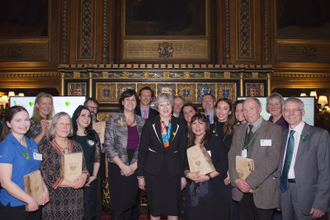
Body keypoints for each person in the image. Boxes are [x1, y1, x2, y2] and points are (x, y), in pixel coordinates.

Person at [228, 97, 282, 220]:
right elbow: (231, 156)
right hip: (240, 189)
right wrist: (236, 179)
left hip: (262, 189)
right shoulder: (239, 129)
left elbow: (272, 159)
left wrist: (249, 182)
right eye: (245, 110)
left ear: (260, 109)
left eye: (251, 109)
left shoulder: (273, 129)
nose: (248, 113)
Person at [277, 97, 330, 220]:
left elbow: (325, 172)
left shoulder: (319, 135)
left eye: (295, 110)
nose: (291, 114)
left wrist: (321, 203)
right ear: (283, 113)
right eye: (287, 110)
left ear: (303, 112)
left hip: (308, 195)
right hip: (285, 192)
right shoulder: (282, 135)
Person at [137, 93, 187, 220]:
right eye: (161, 105)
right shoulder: (149, 123)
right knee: (155, 209)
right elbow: (142, 150)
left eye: (168, 104)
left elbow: (182, 151)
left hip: (174, 172)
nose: (165, 107)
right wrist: (140, 175)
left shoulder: (180, 124)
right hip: (153, 172)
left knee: (173, 208)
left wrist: (183, 175)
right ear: (157, 108)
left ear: (172, 106)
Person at [0, 106, 49, 220]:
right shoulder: (6, 147)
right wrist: (29, 200)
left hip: (34, 200)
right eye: (18, 120)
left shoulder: (32, 143)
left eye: (26, 119)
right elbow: (5, 182)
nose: (24, 124)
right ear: (8, 123)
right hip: (15, 205)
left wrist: (44, 189)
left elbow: (35, 170)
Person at [103, 89, 145, 220]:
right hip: (117, 166)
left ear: (137, 103)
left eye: (133, 99)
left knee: (130, 206)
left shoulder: (142, 122)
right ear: (122, 102)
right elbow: (108, 146)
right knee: (118, 207)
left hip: (135, 165)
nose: (130, 102)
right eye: (127, 99)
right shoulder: (113, 119)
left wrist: (133, 166)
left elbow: (144, 148)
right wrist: (123, 166)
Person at [40, 112, 89, 220]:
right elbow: (49, 178)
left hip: (76, 200)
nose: (65, 127)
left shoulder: (76, 146)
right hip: (55, 201)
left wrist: (83, 177)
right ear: (54, 126)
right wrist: (73, 184)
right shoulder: (45, 149)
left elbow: (84, 168)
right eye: (61, 123)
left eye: (68, 124)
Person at [184, 113, 229, 220]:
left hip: (213, 188)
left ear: (206, 125)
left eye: (201, 123)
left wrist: (208, 176)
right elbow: (183, 165)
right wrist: (188, 174)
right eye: (194, 123)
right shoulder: (188, 143)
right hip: (194, 189)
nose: (197, 127)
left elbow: (223, 164)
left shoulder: (215, 140)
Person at [71, 105, 101, 220]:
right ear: (76, 117)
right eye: (83, 115)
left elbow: (97, 158)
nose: (86, 118)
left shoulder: (93, 135)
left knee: (89, 211)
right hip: (73, 181)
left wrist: (93, 176)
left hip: (90, 180)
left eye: (89, 116)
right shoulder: (69, 136)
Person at [210, 98, 238, 220]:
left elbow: (237, 154)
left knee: (230, 210)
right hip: (212, 174)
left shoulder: (236, 129)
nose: (221, 111)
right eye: (219, 107)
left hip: (228, 175)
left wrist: (230, 172)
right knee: (214, 209)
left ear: (230, 112)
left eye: (225, 108)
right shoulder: (209, 128)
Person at [84, 97, 104, 220]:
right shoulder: (76, 124)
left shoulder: (100, 125)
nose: (91, 110)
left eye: (94, 108)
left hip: (97, 164)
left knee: (96, 194)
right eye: (89, 107)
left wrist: (103, 146)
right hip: (83, 164)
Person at [178, 103, 199, 220]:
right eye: (185, 112)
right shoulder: (179, 130)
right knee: (183, 206)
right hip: (183, 172)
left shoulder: (204, 128)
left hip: (200, 172)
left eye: (190, 111)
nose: (188, 114)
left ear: (196, 112)